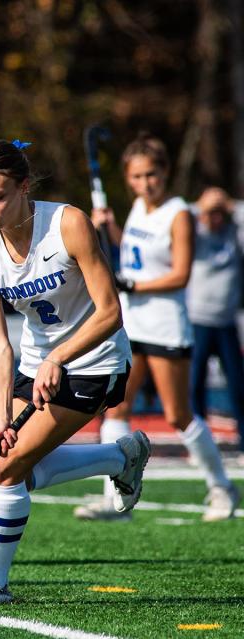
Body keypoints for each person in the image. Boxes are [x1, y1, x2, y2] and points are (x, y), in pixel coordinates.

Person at [0, 139, 145, 605]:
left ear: (24, 188)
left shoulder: (67, 224)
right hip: (35, 366)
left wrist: (61, 357)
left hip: (96, 362)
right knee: (7, 461)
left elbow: (110, 311)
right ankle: (119, 458)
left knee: (9, 468)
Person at [79, 136, 239, 522]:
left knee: (177, 413)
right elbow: (136, 256)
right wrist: (112, 228)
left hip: (167, 326)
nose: (145, 182)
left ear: (164, 173)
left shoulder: (178, 213)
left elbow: (179, 274)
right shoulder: (137, 208)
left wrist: (130, 286)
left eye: (151, 174)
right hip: (132, 324)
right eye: (137, 176)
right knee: (116, 406)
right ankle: (117, 499)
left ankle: (221, 487)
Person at [188, 187, 244, 459]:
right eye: (212, 213)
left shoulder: (234, 233)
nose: (216, 218)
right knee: (195, 385)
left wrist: (228, 204)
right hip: (198, 320)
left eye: (220, 213)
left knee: (237, 384)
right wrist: (204, 206)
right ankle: (201, 447)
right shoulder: (195, 234)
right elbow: (180, 214)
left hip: (226, 322)